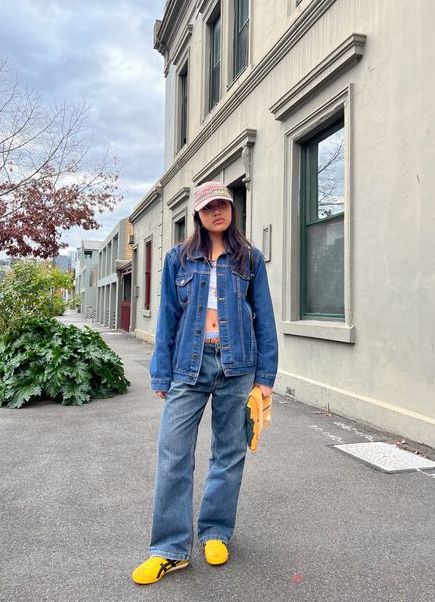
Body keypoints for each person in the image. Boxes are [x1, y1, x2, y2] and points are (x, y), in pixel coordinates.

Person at [132, 181, 278, 585]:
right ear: (197, 214)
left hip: (237, 365)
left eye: (223, 204)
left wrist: (265, 377)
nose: (217, 211)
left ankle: (215, 532)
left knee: (228, 452)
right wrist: (161, 371)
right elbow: (167, 318)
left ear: (231, 210)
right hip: (188, 366)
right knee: (173, 453)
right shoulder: (178, 258)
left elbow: (264, 318)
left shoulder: (250, 258)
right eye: (209, 206)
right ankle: (169, 549)